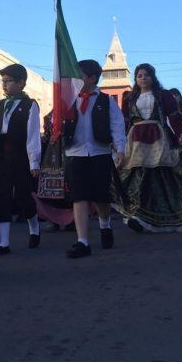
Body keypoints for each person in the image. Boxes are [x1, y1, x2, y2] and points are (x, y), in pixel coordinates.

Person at [113, 64, 182, 232]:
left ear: (153, 77)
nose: (143, 78)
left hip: (158, 138)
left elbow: (174, 117)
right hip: (135, 141)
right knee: (135, 176)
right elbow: (125, 121)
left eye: (146, 75)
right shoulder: (129, 97)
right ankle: (134, 215)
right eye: (139, 75)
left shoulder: (163, 95)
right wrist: (118, 143)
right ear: (135, 79)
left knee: (159, 176)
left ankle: (161, 215)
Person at [62, 60, 126, 258]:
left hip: (100, 152)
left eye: (80, 75)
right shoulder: (68, 99)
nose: (76, 79)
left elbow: (117, 124)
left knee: (101, 196)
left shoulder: (106, 100)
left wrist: (121, 149)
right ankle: (83, 241)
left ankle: (105, 225)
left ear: (91, 78)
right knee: (79, 196)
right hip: (75, 153)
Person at [0, 63, 42, 255]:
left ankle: (34, 228)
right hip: (2, 154)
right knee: (2, 195)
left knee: (24, 195)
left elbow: (33, 134)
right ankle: (3, 243)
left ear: (21, 83)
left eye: (8, 81)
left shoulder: (30, 104)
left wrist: (34, 162)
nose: (4, 84)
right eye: (3, 81)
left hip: (21, 154)